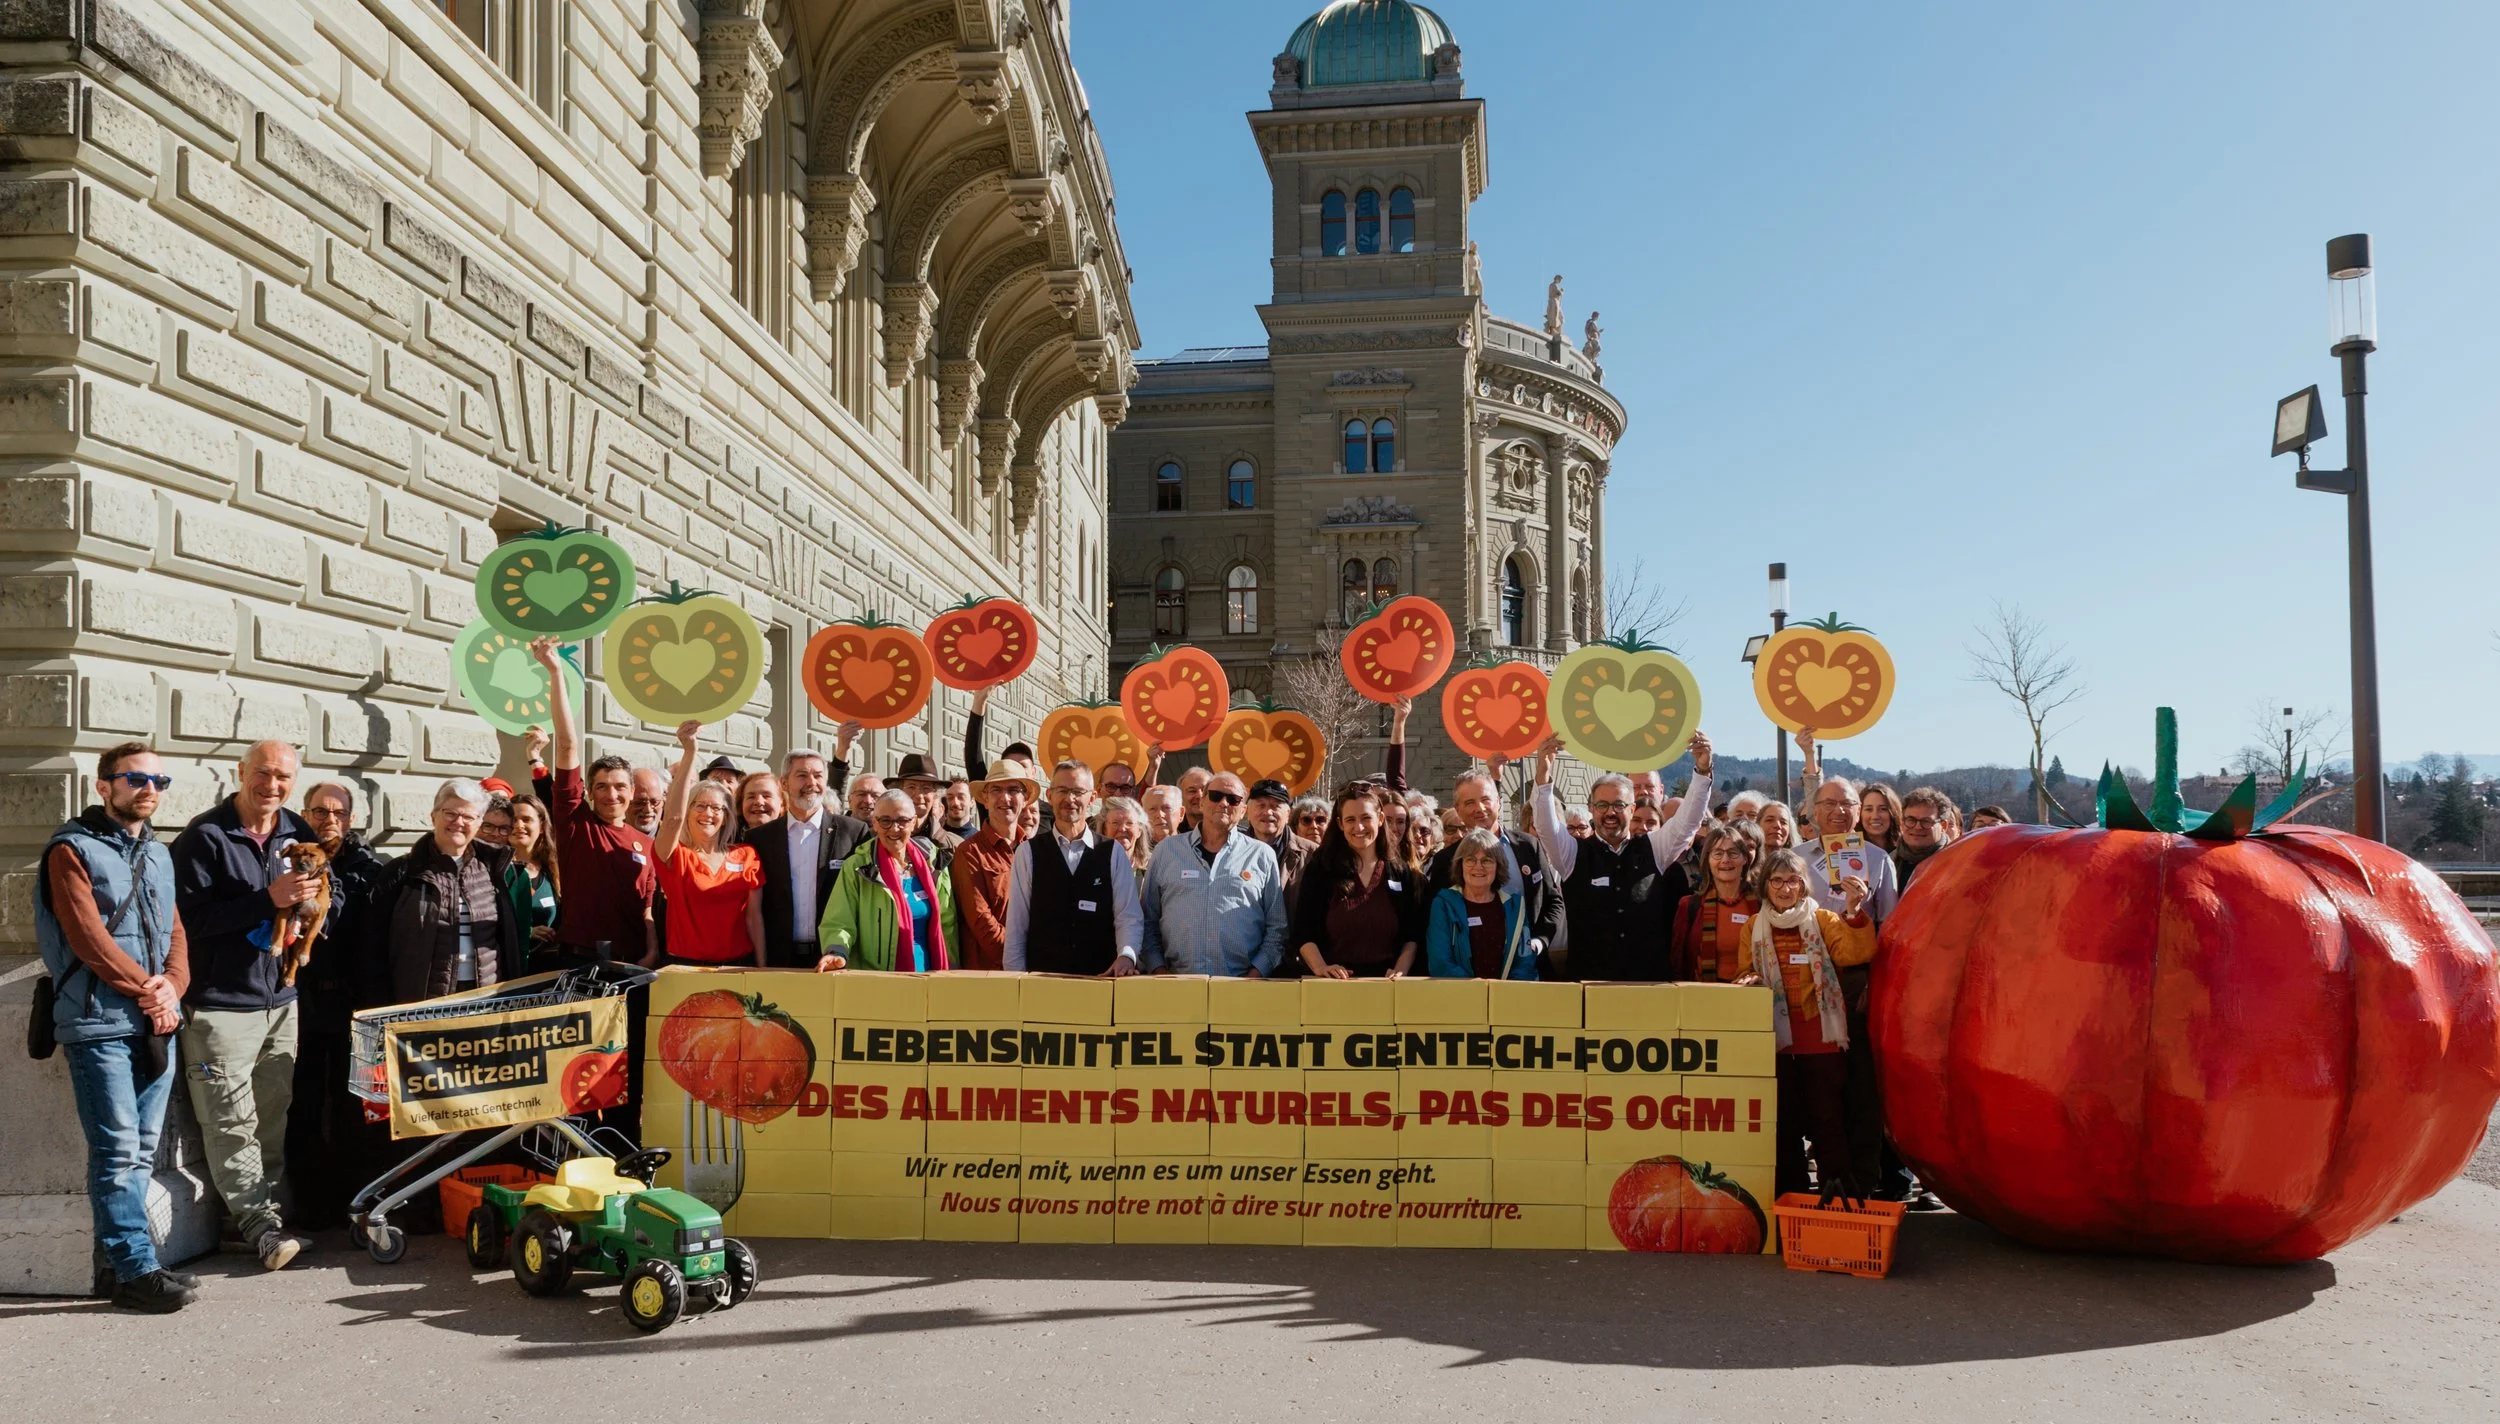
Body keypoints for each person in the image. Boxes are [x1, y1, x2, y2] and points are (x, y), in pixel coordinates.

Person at [39, 742, 196, 1311]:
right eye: (135, 779)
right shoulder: (70, 850)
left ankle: (119, 1267)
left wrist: (171, 988)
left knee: (141, 1148)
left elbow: (176, 930)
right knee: (118, 1148)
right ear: (104, 786)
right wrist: (149, 992)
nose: (149, 789)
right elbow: (87, 939)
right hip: (98, 1021)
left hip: (157, 1018)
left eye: (159, 780)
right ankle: (136, 1269)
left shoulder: (159, 853)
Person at [170, 738, 311, 1271]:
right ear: (241, 772)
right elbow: (187, 922)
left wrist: (315, 913)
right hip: (220, 1005)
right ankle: (261, 1227)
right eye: (264, 773)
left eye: (283, 777)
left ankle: (252, 1223)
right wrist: (265, 901)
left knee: (271, 1114)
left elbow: (327, 888)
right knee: (230, 1119)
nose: (272, 786)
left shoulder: (296, 830)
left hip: (280, 997)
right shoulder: (205, 838)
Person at [1735, 849, 1874, 1197]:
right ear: (1765, 885)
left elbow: (1853, 953)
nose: (1785, 888)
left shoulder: (1824, 919)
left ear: (1803, 884)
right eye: (1777, 880)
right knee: (1784, 1123)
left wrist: (1854, 911)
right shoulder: (1753, 926)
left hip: (1820, 1039)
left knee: (1828, 1120)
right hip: (1775, 1042)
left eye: (1793, 880)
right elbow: (1742, 970)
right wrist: (1749, 978)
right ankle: (1791, 1193)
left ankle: (1836, 1188)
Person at [1530, 732, 1715, 982]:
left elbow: (1688, 821)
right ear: (1592, 809)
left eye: (1618, 805)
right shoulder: (1572, 853)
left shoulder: (1654, 848)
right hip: (1589, 985)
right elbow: (1545, 826)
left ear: (1632, 809)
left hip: (1648, 985)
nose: (1610, 813)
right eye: (1602, 805)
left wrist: (1702, 772)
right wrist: (1543, 777)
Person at [285, 779, 385, 1232]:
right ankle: (308, 1203)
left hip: (350, 1000)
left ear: (352, 819)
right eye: (319, 811)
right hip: (301, 997)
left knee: (351, 1106)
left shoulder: (369, 868)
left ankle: (355, 1200)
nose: (329, 820)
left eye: (338, 813)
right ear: (305, 815)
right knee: (302, 1102)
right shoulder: (288, 860)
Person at [528, 638, 656, 967]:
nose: (611, 794)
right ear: (589, 792)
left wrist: (652, 952)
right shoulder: (575, 822)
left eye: (619, 786)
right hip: (581, 959)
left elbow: (648, 907)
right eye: (601, 786)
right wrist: (555, 672)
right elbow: (568, 745)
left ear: (631, 792)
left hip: (633, 961)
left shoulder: (646, 843)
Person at [370, 779, 520, 1000]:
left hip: (484, 997)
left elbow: (506, 941)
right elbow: (373, 943)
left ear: (478, 823)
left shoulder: (493, 870)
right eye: (450, 813)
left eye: (468, 816)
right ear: (434, 816)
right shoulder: (402, 872)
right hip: (422, 1001)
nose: (458, 822)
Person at [1141, 772, 1289, 977]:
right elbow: (1148, 919)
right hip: (1175, 983)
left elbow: (1277, 928)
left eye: (1233, 799)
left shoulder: (1262, 855)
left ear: (1243, 810)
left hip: (1242, 987)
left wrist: (1256, 974)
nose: (1224, 803)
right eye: (1216, 796)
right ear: (1202, 802)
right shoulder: (1166, 851)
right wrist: (1158, 969)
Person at [1005, 760, 1144, 975]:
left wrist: (1126, 955)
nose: (1070, 799)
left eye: (1078, 792)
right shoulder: (1028, 853)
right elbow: (1016, 925)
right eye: (1062, 790)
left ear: (1092, 798)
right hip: (1042, 984)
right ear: (1050, 795)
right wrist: (1015, 979)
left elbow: (1128, 916)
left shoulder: (1113, 852)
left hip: (1100, 981)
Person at [1423, 768, 1563, 967]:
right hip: (1471, 972)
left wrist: (1540, 941)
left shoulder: (1529, 846)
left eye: (1485, 799)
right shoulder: (1446, 860)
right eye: (1469, 802)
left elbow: (1553, 901)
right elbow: (1438, 920)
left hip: (1531, 969)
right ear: (1458, 809)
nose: (1479, 808)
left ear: (1498, 801)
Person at [652, 722, 766, 966]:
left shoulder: (746, 855)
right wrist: (690, 752)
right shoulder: (675, 856)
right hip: (686, 967)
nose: (709, 813)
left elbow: (754, 918)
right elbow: (672, 819)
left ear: (727, 816)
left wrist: (763, 968)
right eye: (700, 806)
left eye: (717, 808)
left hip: (738, 965)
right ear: (688, 810)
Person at [746, 749, 868, 970]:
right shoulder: (759, 838)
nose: (811, 782)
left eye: (818, 775)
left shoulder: (853, 833)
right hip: (778, 959)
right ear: (784, 783)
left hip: (832, 957)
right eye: (802, 775)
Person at [818, 788, 958, 972]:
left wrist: (953, 968)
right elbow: (840, 921)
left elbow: (947, 924)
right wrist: (837, 951)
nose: (894, 828)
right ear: (875, 824)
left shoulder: (934, 862)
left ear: (913, 822)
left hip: (932, 977)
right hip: (879, 982)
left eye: (902, 820)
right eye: (885, 821)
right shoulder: (857, 867)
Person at [1292, 784, 1424, 979]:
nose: (1359, 827)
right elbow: (1303, 930)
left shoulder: (1398, 870)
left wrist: (1401, 970)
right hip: (1334, 986)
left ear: (1380, 819)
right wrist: (1320, 967)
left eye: (1366, 818)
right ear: (1339, 824)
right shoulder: (1322, 868)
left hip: (1387, 986)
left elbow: (1412, 933)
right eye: (1350, 820)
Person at [950, 758, 1040, 971]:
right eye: (996, 789)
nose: (1005, 797)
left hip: (1032, 970)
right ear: (985, 799)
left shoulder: (1035, 851)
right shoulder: (970, 852)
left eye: (1013, 790)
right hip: (989, 975)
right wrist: (1017, 959)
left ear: (1025, 798)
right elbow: (982, 922)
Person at [1424, 828, 1537, 980]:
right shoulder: (1444, 904)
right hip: (1459, 996)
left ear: (1498, 866)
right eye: (1470, 859)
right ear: (1460, 864)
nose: (1478, 866)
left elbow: (1525, 960)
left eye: (1487, 860)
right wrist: (1476, 990)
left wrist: (1505, 992)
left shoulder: (1515, 906)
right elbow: (1440, 963)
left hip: (1506, 997)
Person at [1670, 819, 1765, 982]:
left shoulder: (1762, 905)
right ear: (1708, 859)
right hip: (1703, 997)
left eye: (1733, 853)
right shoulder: (1690, 906)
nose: (1725, 860)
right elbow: (1678, 962)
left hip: (1753, 995)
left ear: (1745, 859)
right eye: (1718, 853)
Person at [502, 792, 560, 969]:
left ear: (541, 826)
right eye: (513, 819)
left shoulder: (554, 869)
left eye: (527, 819)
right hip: (507, 968)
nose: (519, 825)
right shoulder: (494, 870)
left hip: (547, 970)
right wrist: (528, 932)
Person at [1245, 779, 1315, 901]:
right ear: (1248, 813)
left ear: (1288, 814)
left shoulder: (1312, 855)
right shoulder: (1230, 851)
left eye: (1275, 806)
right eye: (1261, 805)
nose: (1267, 812)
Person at [891, 754, 963, 860]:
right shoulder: (880, 836)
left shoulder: (956, 846)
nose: (919, 795)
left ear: (935, 795)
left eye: (926, 788)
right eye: (911, 787)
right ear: (899, 791)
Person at [1893, 787, 1957, 888]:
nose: (1917, 827)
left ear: (1943, 826)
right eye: (1911, 820)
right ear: (1902, 823)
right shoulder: (1887, 862)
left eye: (1926, 821)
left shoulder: (1957, 864)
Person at [1097, 795, 1151, 873]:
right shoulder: (1092, 864)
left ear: (1139, 830)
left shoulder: (1152, 866)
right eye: (1115, 823)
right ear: (1104, 829)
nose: (1122, 829)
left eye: (1129, 823)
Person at [1859, 782, 1905, 856]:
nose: (1875, 816)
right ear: (1859, 812)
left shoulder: (1906, 851)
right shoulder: (1850, 851)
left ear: (1893, 813)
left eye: (1883, 809)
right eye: (1869, 809)